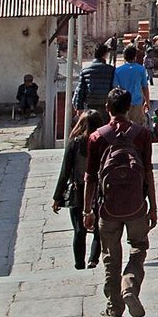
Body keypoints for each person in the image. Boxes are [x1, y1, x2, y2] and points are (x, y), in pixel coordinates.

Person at [84, 88, 157, 317]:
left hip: (108, 207)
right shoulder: (142, 134)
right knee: (139, 248)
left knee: (110, 256)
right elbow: (147, 172)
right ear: (128, 108)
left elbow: (91, 177)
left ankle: (114, 308)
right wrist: (153, 206)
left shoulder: (96, 137)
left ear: (108, 109)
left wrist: (87, 210)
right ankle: (130, 285)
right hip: (136, 205)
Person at [53, 109, 104, 269]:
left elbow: (65, 171)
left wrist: (57, 197)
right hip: (99, 190)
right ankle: (93, 260)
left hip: (77, 190)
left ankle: (79, 264)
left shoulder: (74, 144)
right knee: (98, 229)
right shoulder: (104, 141)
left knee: (79, 230)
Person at [112, 45, 151, 126]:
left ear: (124, 56)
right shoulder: (141, 69)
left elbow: (115, 88)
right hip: (137, 103)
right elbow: (145, 87)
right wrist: (147, 102)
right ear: (135, 56)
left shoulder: (118, 71)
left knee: (124, 127)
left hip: (123, 105)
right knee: (136, 128)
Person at [72, 41, 115, 116]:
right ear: (105, 55)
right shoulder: (111, 70)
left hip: (90, 106)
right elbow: (112, 88)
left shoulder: (85, 70)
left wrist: (79, 107)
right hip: (105, 106)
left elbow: (80, 90)